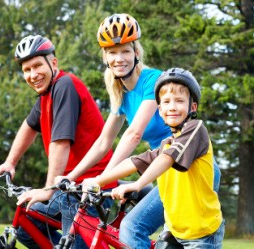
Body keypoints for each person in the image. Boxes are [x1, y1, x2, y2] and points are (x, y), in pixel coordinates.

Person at [56, 13, 221, 248]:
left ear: (136, 53)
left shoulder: (153, 81)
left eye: (125, 51)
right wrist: (74, 177)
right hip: (159, 168)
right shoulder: (120, 92)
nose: (119, 58)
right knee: (142, 231)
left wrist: (101, 181)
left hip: (186, 169)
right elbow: (104, 142)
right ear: (105, 57)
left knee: (138, 228)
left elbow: (133, 134)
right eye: (112, 52)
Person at [0, 34, 117, 249]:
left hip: (89, 190)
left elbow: (61, 142)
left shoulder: (64, 85)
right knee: (27, 226)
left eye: (38, 66)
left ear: (53, 63)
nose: (33, 74)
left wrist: (48, 190)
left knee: (72, 244)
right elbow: (29, 126)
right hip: (68, 190)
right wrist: (10, 163)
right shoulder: (46, 94)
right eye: (27, 70)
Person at [91, 67, 225, 248]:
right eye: (167, 102)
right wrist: (97, 181)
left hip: (202, 236)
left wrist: (137, 185)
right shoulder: (167, 143)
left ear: (192, 107)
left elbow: (167, 159)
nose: (173, 107)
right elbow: (136, 161)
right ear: (160, 110)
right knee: (132, 228)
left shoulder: (195, 129)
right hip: (176, 233)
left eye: (179, 101)